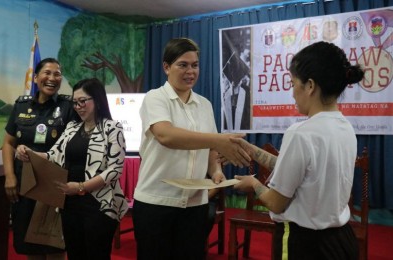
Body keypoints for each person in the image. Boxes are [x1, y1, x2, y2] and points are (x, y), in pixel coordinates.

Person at [230, 41, 364, 259]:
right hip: (341, 242)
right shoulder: (345, 127)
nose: (292, 93)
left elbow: (276, 202)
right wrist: (251, 149)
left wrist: (253, 184)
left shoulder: (301, 132)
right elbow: (304, 169)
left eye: (293, 84)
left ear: (310, 86)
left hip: (305, 244)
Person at [132, 38, 251, 260]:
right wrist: (217, 140)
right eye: (183, 65)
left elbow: (210, 150)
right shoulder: (155, 98)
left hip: (195, 204)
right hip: (157, 203)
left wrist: (215, 170)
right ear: (166, 67)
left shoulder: (204, 104)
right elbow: (165, 135)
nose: (190, 71)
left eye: (195, 65)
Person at [15, 78, 128, 260]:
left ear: (97, 100)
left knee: (97, 254)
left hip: (100, 204)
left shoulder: (112, 128)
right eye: (75, 102)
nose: (78, 106)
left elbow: (115, 169)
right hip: (70, 202)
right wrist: (29, 152)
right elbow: (53, 155)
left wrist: (82, 187)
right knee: (75, 253)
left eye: (83, 101)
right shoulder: (72, 127)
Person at [2, 57, 74, 260]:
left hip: (54, 187)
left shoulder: (68, 107)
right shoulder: (21, 106)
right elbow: (8, 144)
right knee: (29, 247)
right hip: (24, 186)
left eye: (57, 74)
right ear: (36, 78)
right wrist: (9, 176)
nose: (52, 78)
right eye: (47, 73)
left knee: (54, 246)